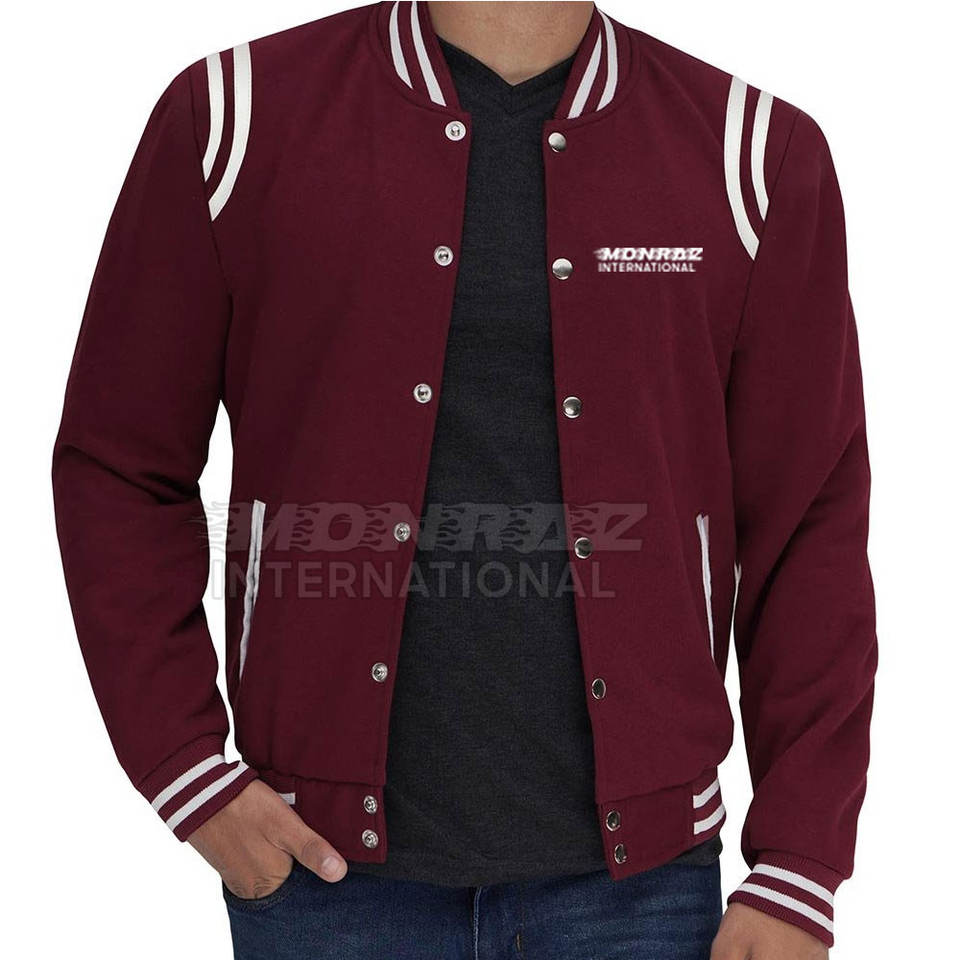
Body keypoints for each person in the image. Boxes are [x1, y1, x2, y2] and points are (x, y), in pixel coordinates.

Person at [52, 3, 876, 958]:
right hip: (322, 880)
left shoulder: (753, 155)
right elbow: (119, 462)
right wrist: (188, 773)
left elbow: (808, 525)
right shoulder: (233, 117)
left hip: (642, 896)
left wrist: (799, 865)